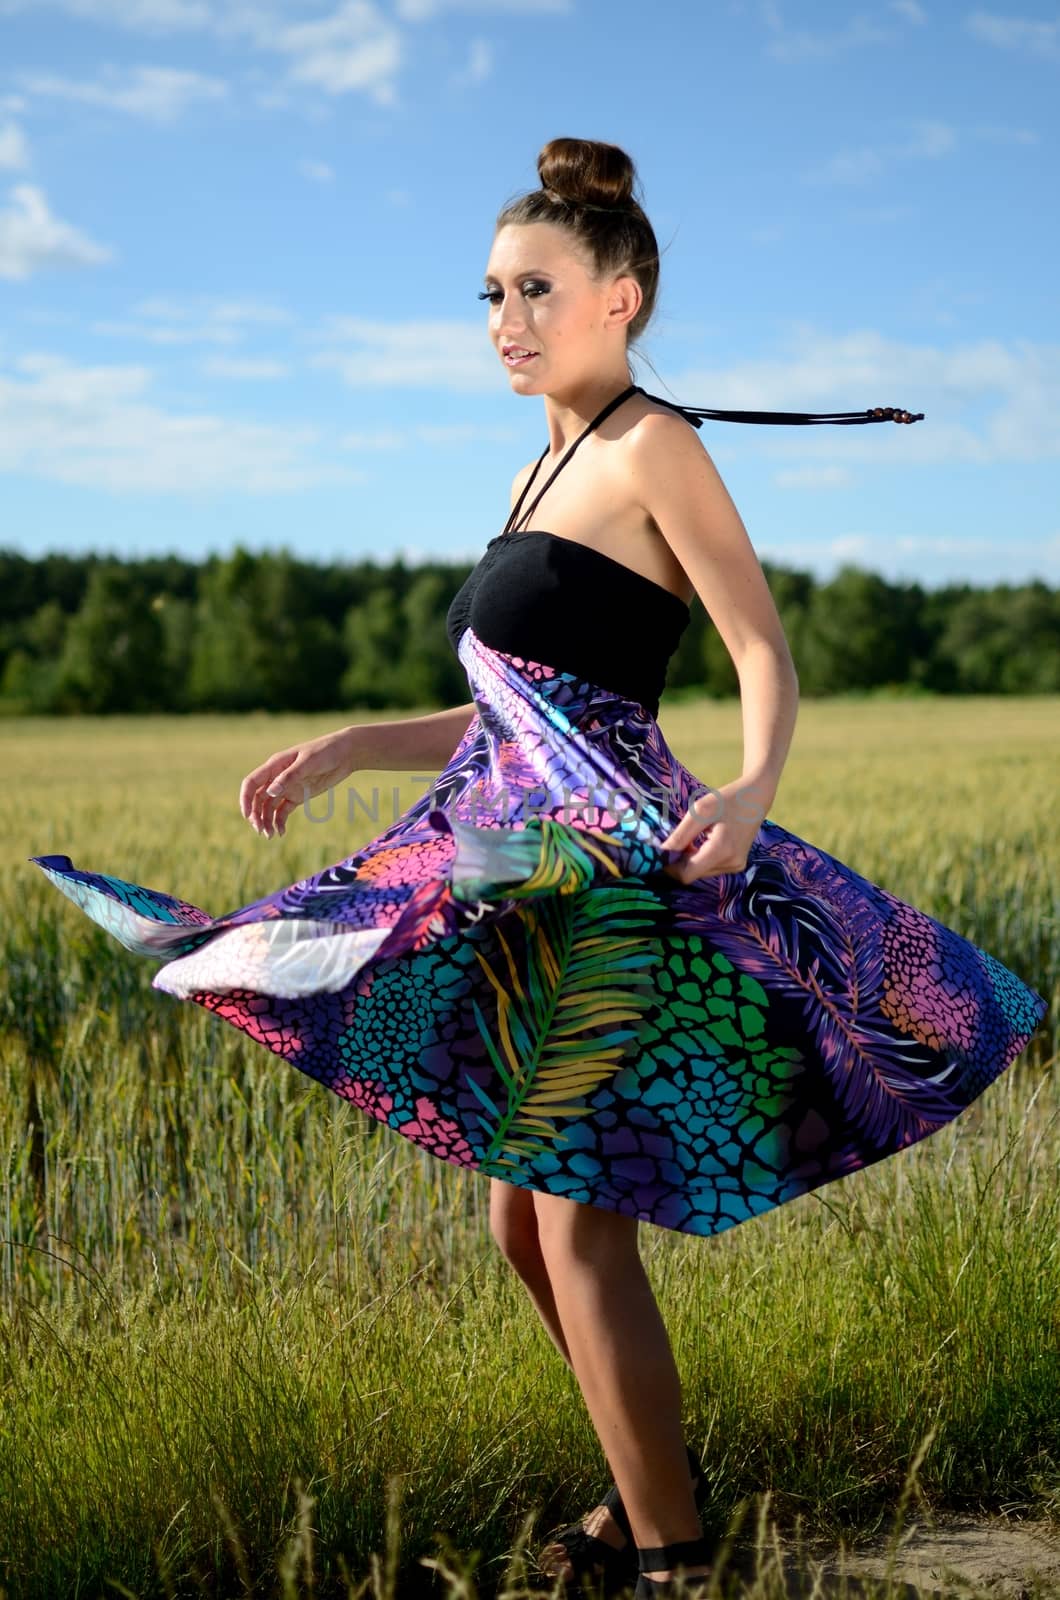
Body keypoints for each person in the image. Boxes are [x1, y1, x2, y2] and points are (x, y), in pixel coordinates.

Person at [30, 138, 1048, 1599]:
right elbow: (502, 712)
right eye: (491, 292)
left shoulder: (655, 447)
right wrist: (347, 746)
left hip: (617, 874)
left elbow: (760, 648)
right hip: (522, 865)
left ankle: (672, 1552)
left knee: (571, 1219)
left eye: (537, 290)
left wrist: (755, 794)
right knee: (524, 1216)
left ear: (619, 298)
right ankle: (649, 1506)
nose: (505, 319)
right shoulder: (540, 465)